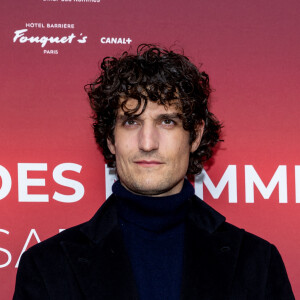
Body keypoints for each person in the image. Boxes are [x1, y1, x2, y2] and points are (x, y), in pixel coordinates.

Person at [13, 44, 294, 300]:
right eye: (132, 122)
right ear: (111, 138)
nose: (148, 143)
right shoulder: (46, 267)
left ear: (194, 136)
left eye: (167, 121)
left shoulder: (257, 262)